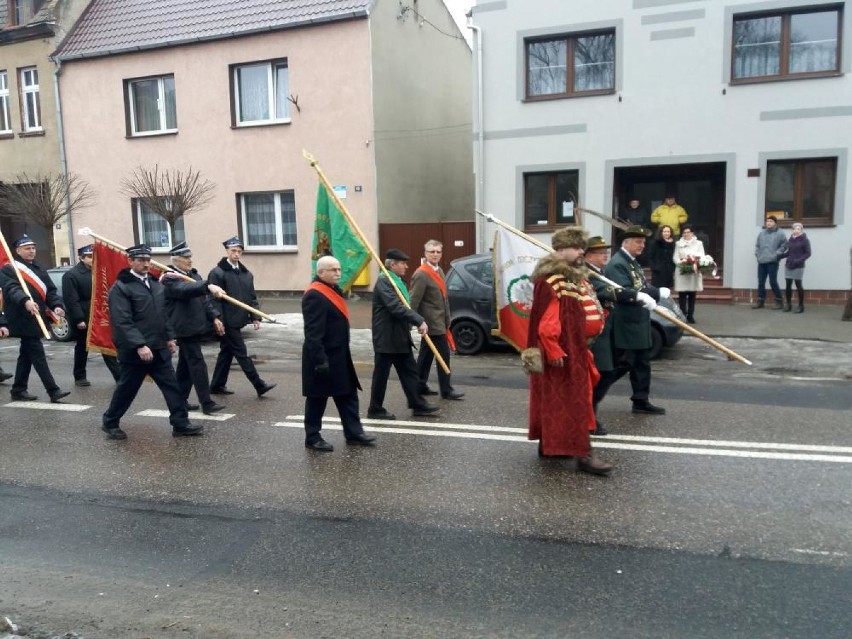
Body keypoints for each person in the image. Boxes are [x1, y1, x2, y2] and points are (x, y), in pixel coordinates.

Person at [527, 226, 612, 476]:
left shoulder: (572, 278)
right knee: (577, 404)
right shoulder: (554, 280)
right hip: (564, 354)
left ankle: (552, 446)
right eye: (576, 247)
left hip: (575, 349)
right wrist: (554, 350)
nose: (580, 252)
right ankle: (583, 454)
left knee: (557, 403)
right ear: (561, 249)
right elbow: (548, 322)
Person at [101, 244, 203, 440]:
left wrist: (169, 337)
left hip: (158, 347)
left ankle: (180, 424)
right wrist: (139, 345)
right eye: (140, 260)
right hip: (136, 352)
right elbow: (122, 321)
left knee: (172, 386)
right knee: (127, 389)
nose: (146, 264)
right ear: (130, 261)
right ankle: (110, 421)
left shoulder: (156, 284)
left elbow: (163, 315)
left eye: (148, 260)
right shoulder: (121, 288)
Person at [302, 255, 377, 452]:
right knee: (317, 397)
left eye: (339, 269)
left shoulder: (332, 290)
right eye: (333, 270)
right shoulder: (315, 295)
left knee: (347, 394)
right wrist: (320, 361)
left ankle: (354, 432)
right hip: (322, 356)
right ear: (321, 273)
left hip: (339, 355)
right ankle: (312, 436)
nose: (338, 273)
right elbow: (312, 333)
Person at [601, 226, 667, 415]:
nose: (642, 245)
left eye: (644, 242)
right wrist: (655, 293)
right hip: (626, 322)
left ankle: (641, 400)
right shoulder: (617, 264)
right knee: (622, 364)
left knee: (641, 362)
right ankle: (591, 395)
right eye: (638, 242)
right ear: (626, 243)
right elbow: (625, 291)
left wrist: (654, 293)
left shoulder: (632, 262)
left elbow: (642, 285)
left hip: (638, 320)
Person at [367, 249, 440, 420]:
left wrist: (414, 321)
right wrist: (418, 320)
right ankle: (375, 409)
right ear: (392, 265)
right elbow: (395, 307)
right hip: (386, 338)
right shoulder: (384, 282)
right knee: (381, 376)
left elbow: (404, 308)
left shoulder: (397, 281)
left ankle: (417, 404)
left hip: (399, 337)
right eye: (403, 263)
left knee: (410, 372)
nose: (406, 266)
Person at [0, 235, 70, 402]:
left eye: (33, 248)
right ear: (18, 251)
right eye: (27, 248)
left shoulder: (38, 267)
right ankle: (53, 390)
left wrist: (56, 305)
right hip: (22, 317)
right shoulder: (9, 269)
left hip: (38, 316)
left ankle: (18, 389)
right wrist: (25, 301)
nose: (31, 251)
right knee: (37, 352)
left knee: (26, 354)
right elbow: (12, 289)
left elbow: (50, 291)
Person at [162, 241, 228, 415]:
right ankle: (206, 402)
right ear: (175, 260)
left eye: (190, 257)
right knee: (197, 364)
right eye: (185, 257)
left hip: (194, 326)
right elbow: (183, 290)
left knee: (185, 366)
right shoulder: (169, 277)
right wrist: (206, 285)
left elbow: (203, 300)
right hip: (182, 327)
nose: (189, 260)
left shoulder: (194, 276)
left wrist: (214, 317)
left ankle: (180, 400)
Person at [584, 236, 639, 436]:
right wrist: (633, 295)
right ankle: (588, 417)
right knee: (602, 374)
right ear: (589, 256)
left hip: (609, 329)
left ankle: (589, 413)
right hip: (597, 334)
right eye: (600, 253)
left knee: (620, 365)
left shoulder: (600, 271)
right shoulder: (587, 273)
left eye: (606, 252)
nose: (605, 255)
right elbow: (604, 291)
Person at [208, 236, 276, 397]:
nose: (236, 254)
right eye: (233, 251)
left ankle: (216, 385)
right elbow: (212, 299)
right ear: (227, 251)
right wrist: (216, 318)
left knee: (226, 353)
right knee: (241, 353)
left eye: (239, 251)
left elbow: (251, 297)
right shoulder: (218, 273)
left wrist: (255, 317)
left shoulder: (246, 274)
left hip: (239, 319)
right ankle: (259, 385)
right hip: (227, 321)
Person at [410, 239, 464, 400]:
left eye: (438, 252)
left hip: (440, 321)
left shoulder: (439, 270)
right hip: (431, 324)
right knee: (443, 356)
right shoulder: (421, 274)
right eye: (431, 252)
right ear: (425, 254)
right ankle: (446, 390)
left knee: (425, 357)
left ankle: (418, 385)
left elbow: (442, 298)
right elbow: (413, 301)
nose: (435, 254)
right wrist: (416, 322)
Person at [62, 244, 121, 386]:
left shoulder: (99, 272)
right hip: (85, 316)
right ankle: (80, 376)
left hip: (100, 315)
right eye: (89, 257)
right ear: (82, 258)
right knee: (83, 347)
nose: (92, 259)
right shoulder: (71, 275)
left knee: (105, 344)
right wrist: (79, 319)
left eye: (94, 256)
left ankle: (119, 376)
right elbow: (71, 300)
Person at [752, 215, 788, 310]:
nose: (768, 223)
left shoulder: (780, 233)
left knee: (773, 281)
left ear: (775, 223)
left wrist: (777, 254)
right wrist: (758, 255)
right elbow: (757, 245)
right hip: (762, 261)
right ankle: (760, 300)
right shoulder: (762, 233)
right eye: (767, 221)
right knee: (761, 282)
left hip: (773, 261)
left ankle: (779, 300)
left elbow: (784, 245)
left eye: (771, 221)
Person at [672, 223, 705, 324]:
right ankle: (682, 315)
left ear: (692, 233)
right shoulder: (678, 244)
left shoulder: (699, 243)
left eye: (688, 232)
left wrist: (694, 261)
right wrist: (681, 263)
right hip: (682, 271)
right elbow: (675, 257)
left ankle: (690, 315)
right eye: (684, 232)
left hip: (693, 272)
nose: (686, 234)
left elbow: (702, 255)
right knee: (682, 295)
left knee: (692, 295)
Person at [782, 222, 811, 314]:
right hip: (789, 265)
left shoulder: (805, 240)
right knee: (788, 285)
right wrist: (780, 256)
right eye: (795, 229)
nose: (796, 230)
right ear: (792, 230)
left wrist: (799, 260)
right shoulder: (790, 240)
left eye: (798, 229)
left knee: (798, 285)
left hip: (798, 266)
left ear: (801, 230)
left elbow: (808, 253)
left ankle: (801, 306)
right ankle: (788, 304)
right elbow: (789, 252)